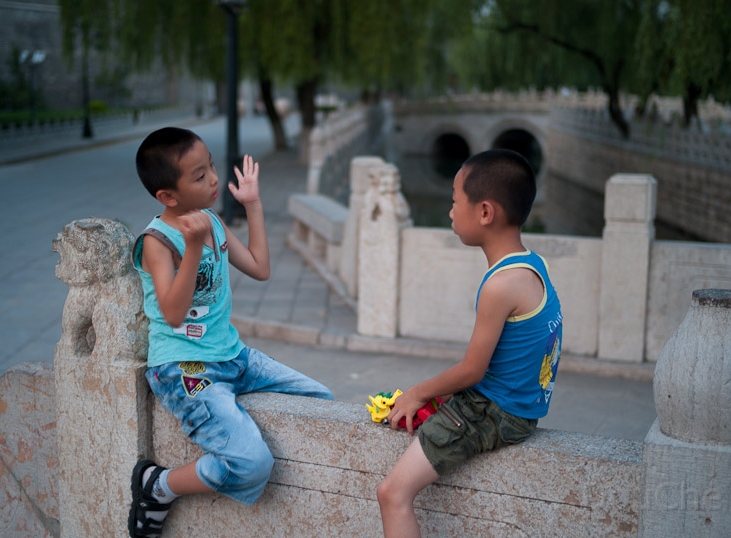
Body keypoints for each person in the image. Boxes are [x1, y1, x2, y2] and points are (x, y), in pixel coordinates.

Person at [127, 127, 333, 538]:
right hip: (185, 367)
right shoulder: (157, 241)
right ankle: (159, 486)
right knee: (252, 462)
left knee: (322, 403)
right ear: (168, 196)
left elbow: (260, 267)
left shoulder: (213, 222)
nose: (215, 180)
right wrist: (194, 247)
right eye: (200, 175)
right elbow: (171, 312)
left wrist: (252, 204)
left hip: (233, 356)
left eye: (212, 168)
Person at [376, 149, 563, 538]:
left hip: (494, 413)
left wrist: (417, 393)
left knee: (392, 493)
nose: (449, 211)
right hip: (520, 406)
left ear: (484, 213)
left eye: (454, 201)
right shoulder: (532, 264)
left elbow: (472, 370)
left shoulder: (500, 285)